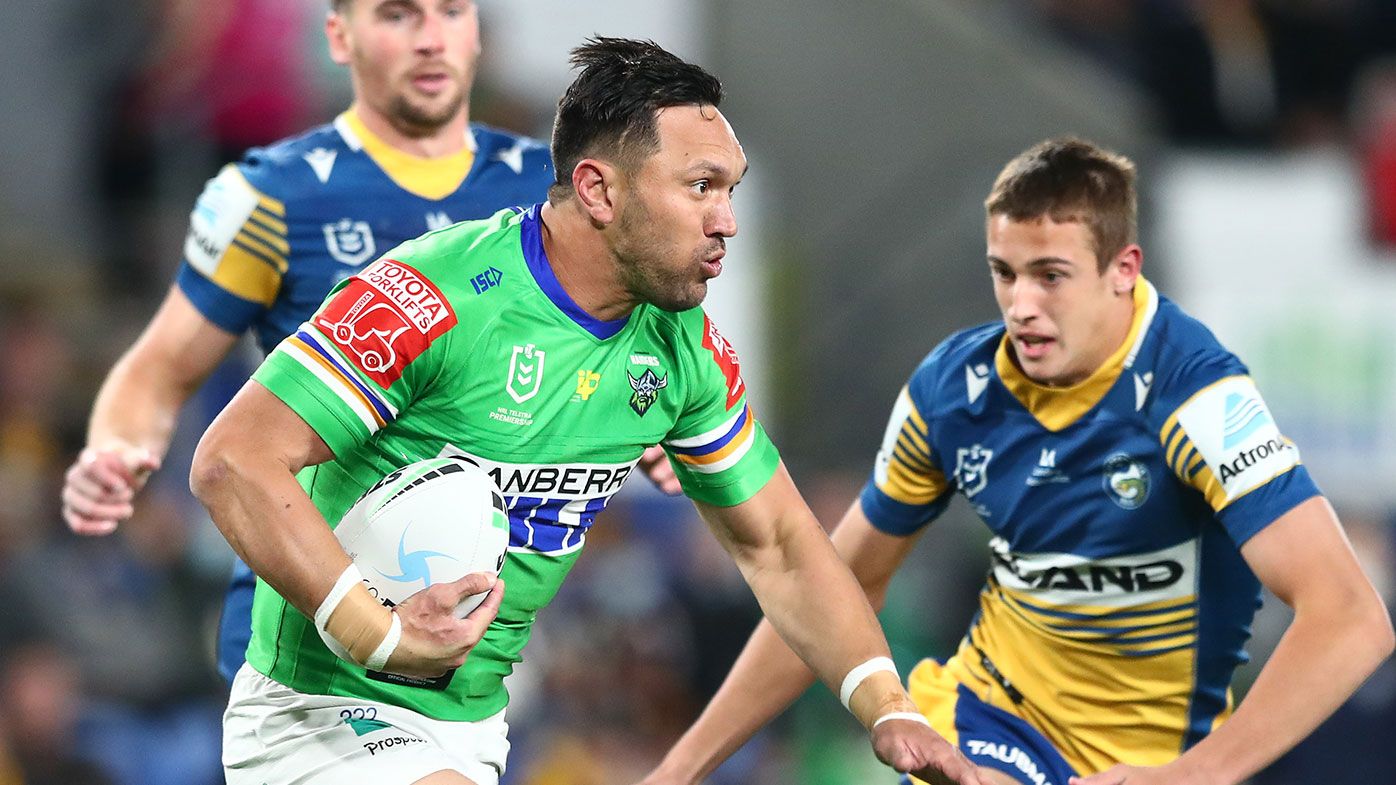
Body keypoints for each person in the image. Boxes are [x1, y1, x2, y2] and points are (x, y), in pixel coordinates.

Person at [188, 37, 988, 785]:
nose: (727, 221)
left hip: (472, 725)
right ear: (600, 189)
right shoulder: (433, 298)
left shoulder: (684, 350)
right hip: (321, 710)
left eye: (731, 189)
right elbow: (233, 461)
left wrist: (886, 706)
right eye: (701, 186)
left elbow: (780, 544)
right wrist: (377, 631)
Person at [639, 137, 1395, 785]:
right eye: (1005, 272)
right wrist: (682, 769)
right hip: (988, 719)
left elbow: (1353, 618)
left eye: (1051, 275)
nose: (1021, 303)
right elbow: (829, 586)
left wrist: (1200, 772)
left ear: (1122, 269)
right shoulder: (952, 391)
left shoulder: (1195, 394)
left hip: (1152, 760)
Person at [59, 0, 676, 684]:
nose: (430, 39)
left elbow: (616, 351)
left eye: (450, 12)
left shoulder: (559, 192)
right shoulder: (272, 198)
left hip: (477, 621)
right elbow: (161, 367)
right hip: (305, 617)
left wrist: (647, 423)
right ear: (339, 36)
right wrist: (117, 445)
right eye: (398, 15)